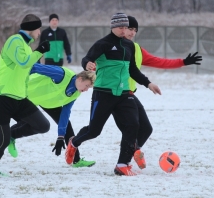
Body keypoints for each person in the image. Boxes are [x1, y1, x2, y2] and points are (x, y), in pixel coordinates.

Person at [65, 13, 161, 176]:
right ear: (113, 27)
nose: (124, 30)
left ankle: (122, 165)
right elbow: (87, 59)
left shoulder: (129, 46)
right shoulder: (103, 44)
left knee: (133, 125)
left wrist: (148, 83)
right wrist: (87, 64)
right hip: (104, 94)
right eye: (121, 27)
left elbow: (133, 70)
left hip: (124, 94)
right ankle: (74, 143)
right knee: (94, 131)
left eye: (126, 27)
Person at [121, 16, 203, 168]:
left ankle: (134, 151)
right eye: (129, 29)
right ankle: (123, 163)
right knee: (98, 130)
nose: (132, 33)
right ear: (121, 29)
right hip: (113, 95)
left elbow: (159, 61)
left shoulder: (137, 49)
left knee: (146, 129)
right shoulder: (110, 47)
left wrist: (183, 62)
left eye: (134, 30)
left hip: (129, 95)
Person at [0, 14, 51, 176]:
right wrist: (40, 50)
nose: (40, 33)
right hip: (0, 98)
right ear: (33, 29)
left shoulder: (26, 47)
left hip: (19, 99)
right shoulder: (15, 41)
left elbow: (24, 72)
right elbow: (23, 62)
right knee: (2, 141)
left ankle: (12, 135)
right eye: (39, 29)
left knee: (43, 125)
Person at [7, 64, 96, 168]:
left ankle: (76, 160)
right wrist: (18, 80)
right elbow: (34, 67)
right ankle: (4, 140)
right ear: (80, 79)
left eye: (89, 88)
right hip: (24, 94)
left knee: (67, 125)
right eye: (87, 86)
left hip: (50, 103)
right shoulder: (62, 74)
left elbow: (65, 113)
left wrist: (60, 137)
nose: (86, 90)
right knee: (26, 123)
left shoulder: (75, 93)